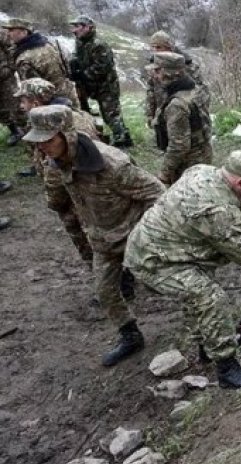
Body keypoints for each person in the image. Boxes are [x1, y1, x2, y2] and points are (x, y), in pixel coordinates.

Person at [124, 151, 241, 388]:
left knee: (200, 291)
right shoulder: (219, 210)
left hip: (167, 247)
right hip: (155, 262)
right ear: (239, 182)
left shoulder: (202, 170)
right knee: (210, 298)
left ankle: (207, 346)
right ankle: (227, 368)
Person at [25, 105, 165, 366]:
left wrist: (147, 232)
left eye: (48, 140)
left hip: (135, 236)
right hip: (101, 240)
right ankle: (130, 335)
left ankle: (202, 326)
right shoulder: (54, 165)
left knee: (166, 282)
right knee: (104, 291)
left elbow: (157, 192)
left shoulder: (111, 164)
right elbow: (59, 202)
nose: (42, 146)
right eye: (38, 141)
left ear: (67, 135)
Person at [17, 78, 98, 262]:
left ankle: (102, 269)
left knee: (85, 235)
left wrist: (55, 200)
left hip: (73, 191)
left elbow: (55, 168)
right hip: (87, 189)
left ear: (36, 102)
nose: (22, 106)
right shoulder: (75, 115)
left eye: (24, 101)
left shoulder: (51, 128)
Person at [68, 15, 132, 147]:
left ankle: (122, 140)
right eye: (73, 27)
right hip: (92, 85)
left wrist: (83, 75)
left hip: (106, 85)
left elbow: (102, 67)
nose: (74, 30)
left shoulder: (99, 44)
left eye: (77, 27)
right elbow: (77, 56)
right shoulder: (79, 42)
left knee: (111, 114)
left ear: (88, 27)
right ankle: (122, 135)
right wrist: (74, 67)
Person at [151, 51, 212, 185]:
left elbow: (179, 146)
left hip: (188, 165)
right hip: (204, 155)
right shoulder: (196, 90)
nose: (154, 75)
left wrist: (164, 173)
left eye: (157, 71)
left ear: (170, 73)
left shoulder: (177, 104)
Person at [144, 29, 210, 139]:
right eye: (153, 47)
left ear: (169, 47)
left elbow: (201, 90)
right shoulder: (154, 66)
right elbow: (151, 91)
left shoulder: (188, 65)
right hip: (163, 111)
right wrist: (150, 115)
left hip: (185, 112)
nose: (155, 50)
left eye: (159, 47)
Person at [2, 18, 79, 109]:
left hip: (51, 104)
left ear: (24, 31)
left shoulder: (24, 58)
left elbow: (32, 91)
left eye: (11, 30)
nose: (8, 33)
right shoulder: (49, 44)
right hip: (69, 93)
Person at [1, 28, 26, 146]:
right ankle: (15, 132)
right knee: (1, 110)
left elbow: (12, 49)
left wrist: (10, 68)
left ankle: (27, 129)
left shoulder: (1, 33)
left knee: (16, 104)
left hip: (5, 78)